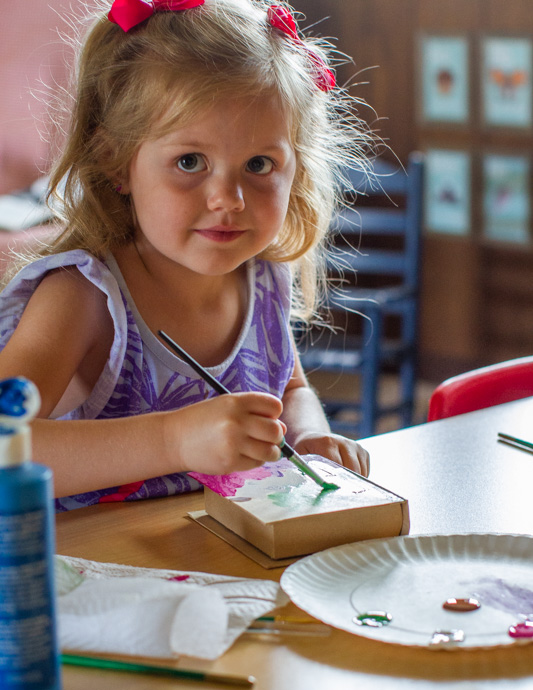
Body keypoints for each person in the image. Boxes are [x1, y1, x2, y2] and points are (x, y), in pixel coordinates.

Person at [0, 0, 371, 511]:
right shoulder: (83, 297)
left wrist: (309, 438)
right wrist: (174, 440)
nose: (229, 198)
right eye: (190, 161)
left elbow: (290, 391)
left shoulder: (264, 280)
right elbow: (4, 445)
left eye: (259, 163)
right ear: (117, 161)